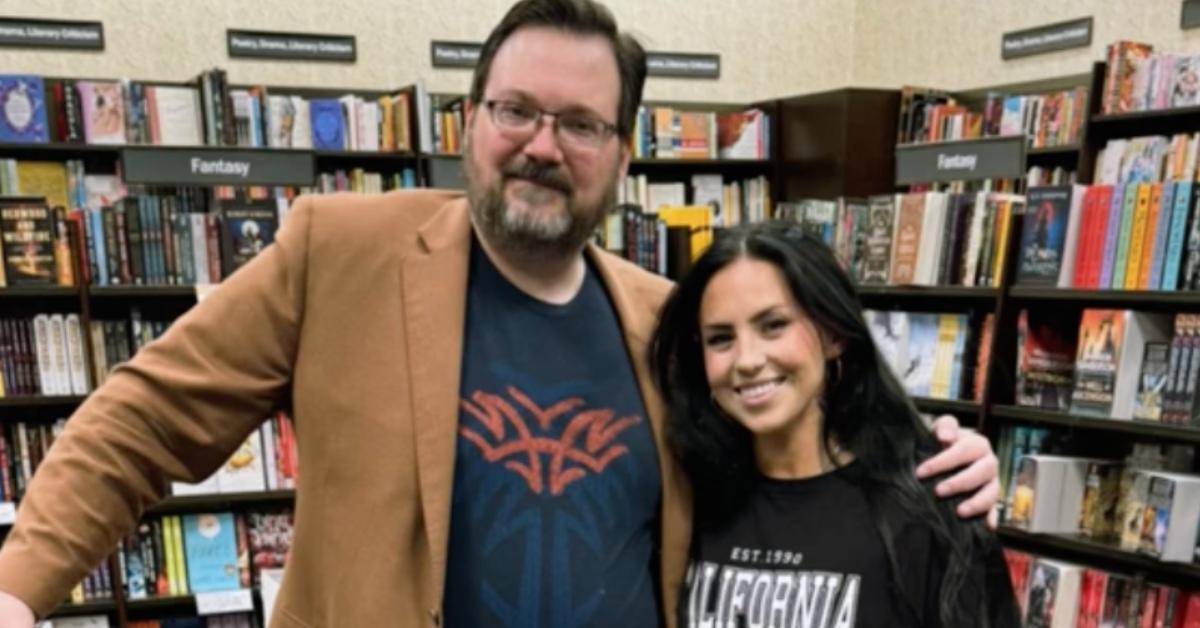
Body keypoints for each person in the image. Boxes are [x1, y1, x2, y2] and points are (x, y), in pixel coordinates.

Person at [0, 1, 1002, 626]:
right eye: (516, 109)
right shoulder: (340, 252)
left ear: (619, 153)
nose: (541, 144)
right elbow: (144, 419)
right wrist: (17, 585)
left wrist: (937, 463)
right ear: (470, 121)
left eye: (579, 124)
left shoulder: (667, 323)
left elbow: (793, 452)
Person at [649, 222, 1018, 627]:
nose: (747, 360)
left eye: (773, 325)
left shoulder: (929, 504)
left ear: (834, 335)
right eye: (721, 338)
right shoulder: (683, 498)